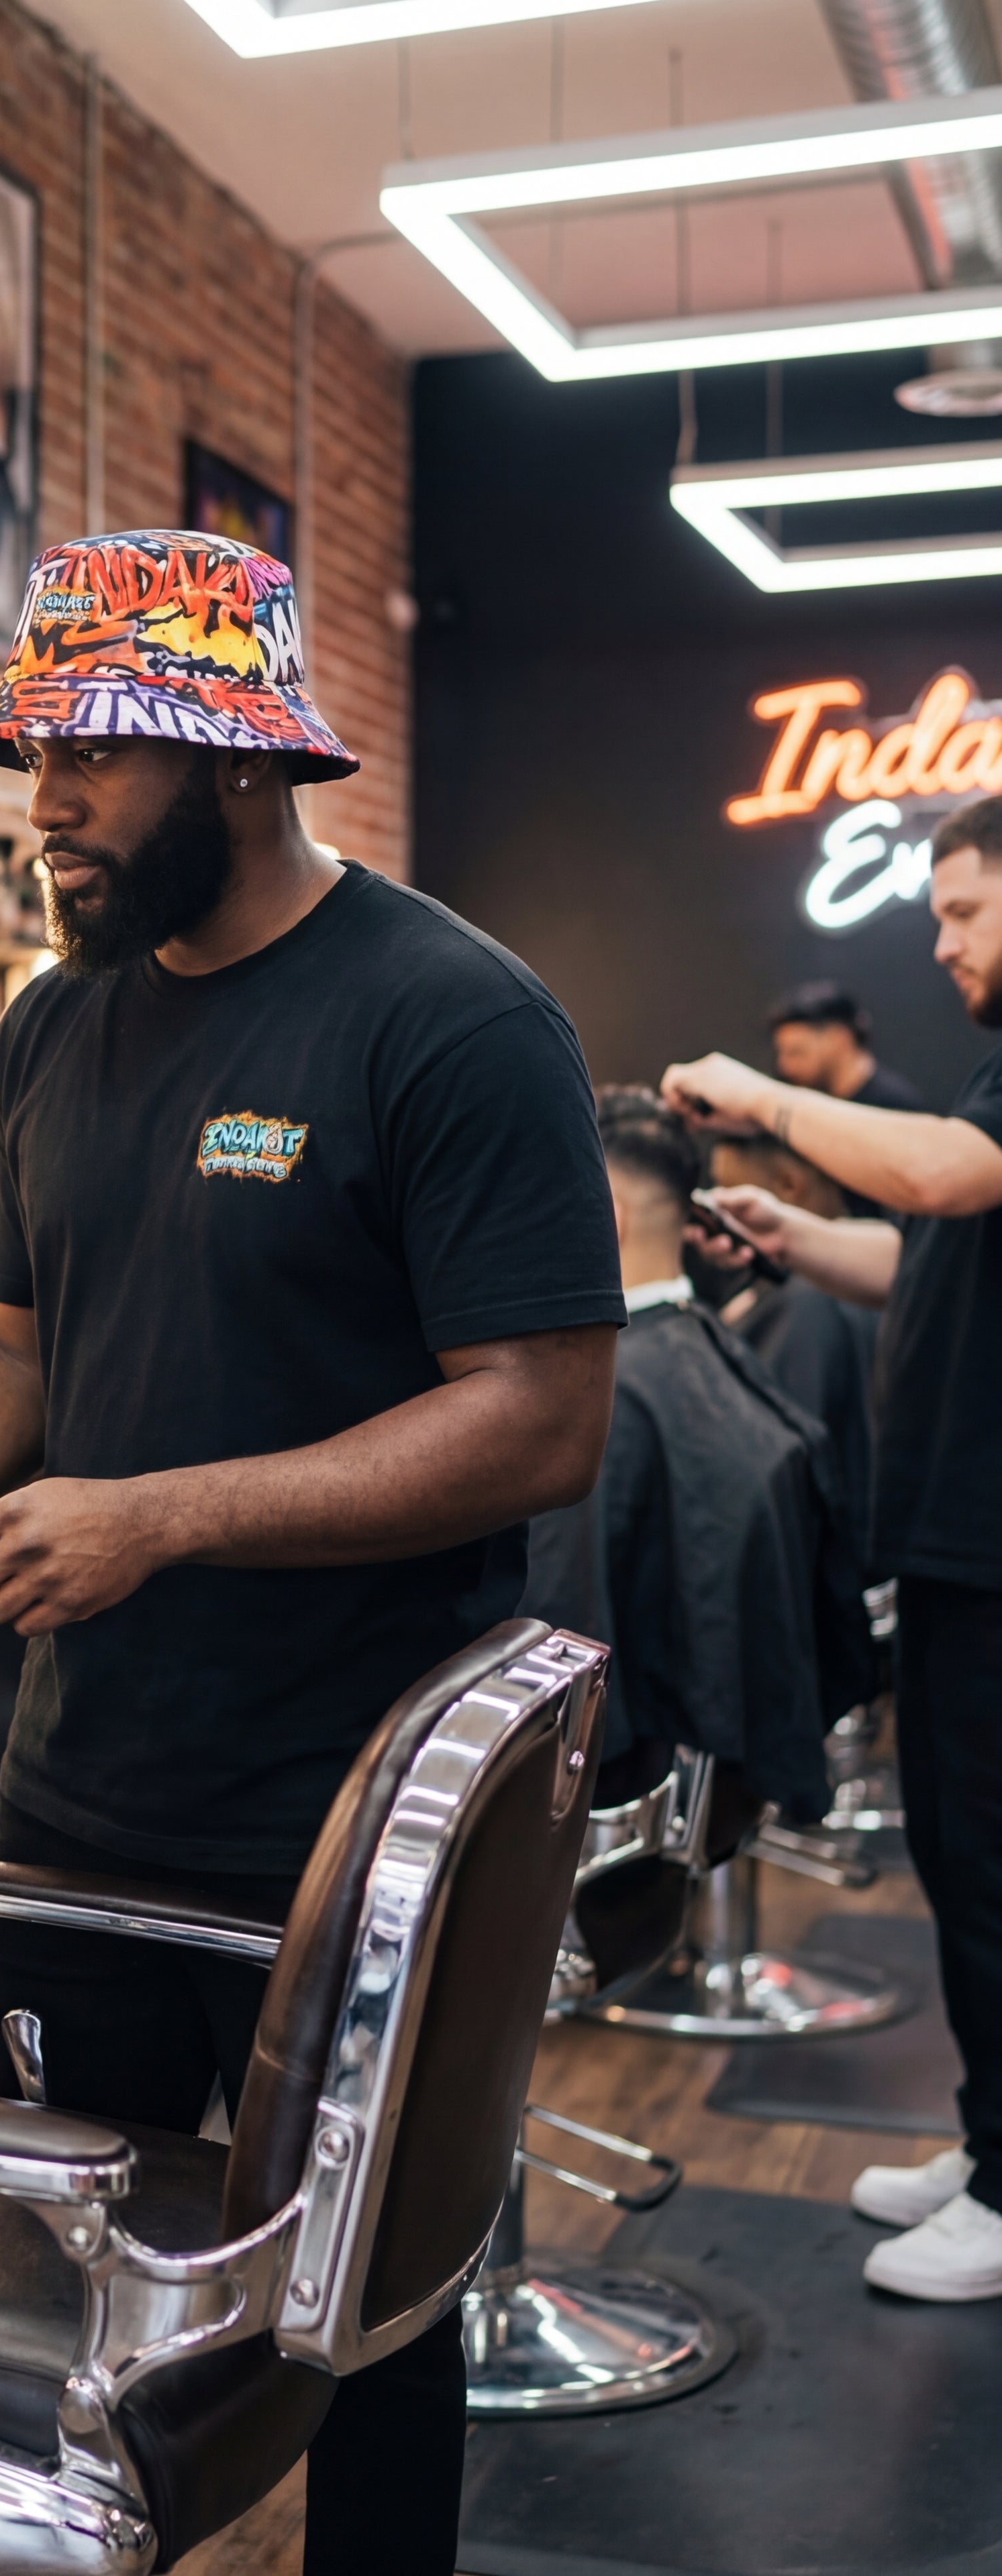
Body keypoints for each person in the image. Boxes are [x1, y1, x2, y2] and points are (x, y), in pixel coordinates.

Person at [0, 531, 625, 2576]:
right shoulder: (49, 1026)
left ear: (239, 764)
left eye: (95, 750)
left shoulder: (447, 1020)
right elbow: (11, 1355)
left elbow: (537, 1407)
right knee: (61, 2284)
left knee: (355, 2311)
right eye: (39, 751)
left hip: (349, 1814)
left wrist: (158, 1512)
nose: (47, 800)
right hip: (79, 1793)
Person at [666, 792, 1002, 2305]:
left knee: (992, 1862)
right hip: (955, 1530)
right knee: (957, 1849)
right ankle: (992, 2140)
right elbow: (923, 1241)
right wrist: (793, 1237)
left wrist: (768, 1097)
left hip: (997, 1539)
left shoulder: (971, 1115)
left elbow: (940, 1179)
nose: (942, 943)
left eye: (965, 912)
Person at [523, 1092, 864, 1820]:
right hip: (724, 1781)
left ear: (600, 1216)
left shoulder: (597, 1406)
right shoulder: (731, 1365)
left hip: (602, 1802)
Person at [702, 1126, 878, 1534]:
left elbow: (781, 1464)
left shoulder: (809, 1305)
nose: (718, 1218)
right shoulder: (841, 1290)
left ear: (788, 1185)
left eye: (729, 1192)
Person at [768, 980, 922, 1219]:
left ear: (838, 1040)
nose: (785, 1066)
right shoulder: (819, 1103)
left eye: (797, 1052)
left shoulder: (895, 1109)